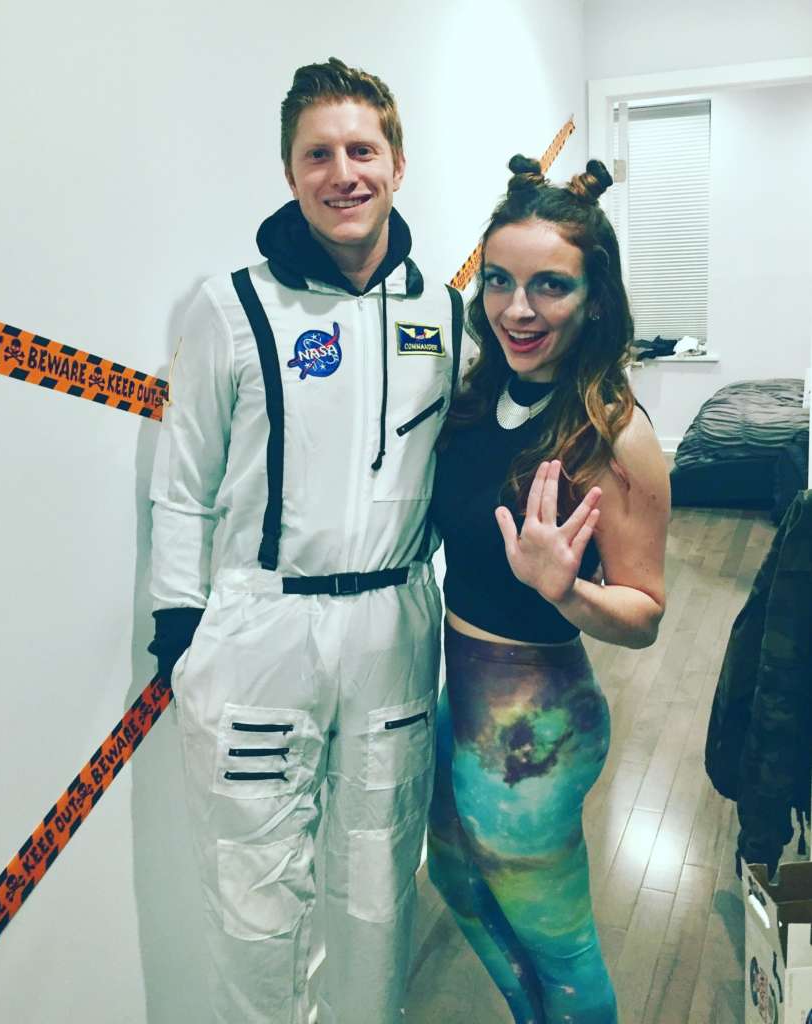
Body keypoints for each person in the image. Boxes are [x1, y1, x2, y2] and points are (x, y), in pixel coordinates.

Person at [148, 57, 464, 1024]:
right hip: (262, 632)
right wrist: (179, 628)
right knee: (253, 901)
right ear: (288, 172)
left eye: (361, 150)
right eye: (317, 154)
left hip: (394, 630)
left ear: (398, 164)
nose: (342, 173)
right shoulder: (229, 305)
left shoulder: (446, 314)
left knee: (377, 886)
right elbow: (183, 482)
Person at [428, 155, 670, 1024]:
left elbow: (644, 613)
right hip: (462, 701)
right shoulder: (478, 396)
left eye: (549, 286)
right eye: (498, 281)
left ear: (594, 299)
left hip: (535, 728)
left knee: (559, 947)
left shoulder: (615, 432)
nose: (516, 309)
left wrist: (568, 593)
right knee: (457, 883)